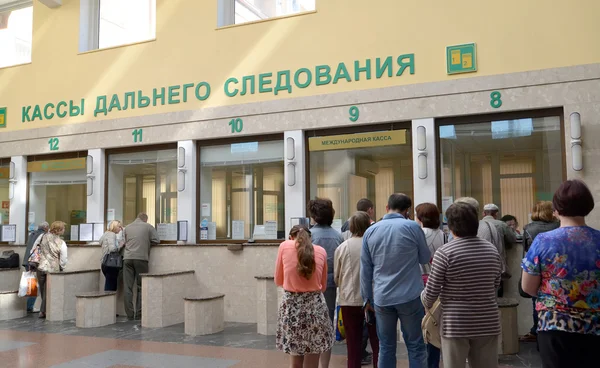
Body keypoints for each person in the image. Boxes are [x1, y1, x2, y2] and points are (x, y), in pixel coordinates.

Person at [521, 180, 600, 368]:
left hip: (555, 326)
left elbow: (528, 287)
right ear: (588, 206)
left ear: (556, 209)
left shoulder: (543, 241)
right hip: (595, 325)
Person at [422, 202, 502, 368]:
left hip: (455, 323)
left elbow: (430, 293)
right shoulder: (491, 250)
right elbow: (496, 283)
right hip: (488, 321)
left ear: (450, 225)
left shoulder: (445, 253)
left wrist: (426, 303)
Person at [361, 193, 430, 368]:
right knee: (415, 346)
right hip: (410, 296)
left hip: (382, 297)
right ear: (407, 211)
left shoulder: (371, 231)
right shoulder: (413, 227)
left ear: (386, 208)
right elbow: (424, 258)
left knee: (385, 346)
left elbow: (365, 269)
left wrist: (367, 298)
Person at [275, 225, 333, 368]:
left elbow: (278, 280)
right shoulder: (321, 251)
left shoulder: (284, 246)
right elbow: (323, 285)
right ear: (310, 238)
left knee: (295, 363)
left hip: (292, 307)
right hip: (315, 307)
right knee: (313, 360)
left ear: (291, 237)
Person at [334, 212, 379, 368]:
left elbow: (337, 277)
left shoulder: (342, 247)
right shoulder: (375, 245)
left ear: (351, 227)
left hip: (349, 300)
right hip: (374, 300)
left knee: (353, 345)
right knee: (378, 343)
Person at [306, 198, 342, 368]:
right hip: (330, 285)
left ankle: (309, 362)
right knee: (326, 324)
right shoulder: (338, 236)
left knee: (309, 324)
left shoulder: (308, 236)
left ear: (313, 215)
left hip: (309, 285)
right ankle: (324, 365)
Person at [518, 201, 560, 343]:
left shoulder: (529, 228)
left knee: (536, 300)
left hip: (536, 269)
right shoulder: (558, 226)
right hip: (557, 270)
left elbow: (526, 250)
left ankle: (537, 330)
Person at [414, 203, 444, 368]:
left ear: (420, 218)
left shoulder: (419, 234)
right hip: (439, 283)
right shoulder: (444, 234)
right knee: (435, 325)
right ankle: (434, 362)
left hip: (421, 283)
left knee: (423, 325)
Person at [122, 213, 160, 321]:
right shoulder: (148, 227)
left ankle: (129, 314)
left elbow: (123, 241)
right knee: (141, 286)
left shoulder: (127, 227)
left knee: (127, 287)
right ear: (146, 219)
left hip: (127, 259)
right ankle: (139, 314)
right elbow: (157, 240)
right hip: (141, 259)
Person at [482, 203, 517, 296]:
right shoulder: (501, 225)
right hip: (496, 262)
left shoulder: (476, 225)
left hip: (479, 262)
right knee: (498, 287)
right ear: (496, 214)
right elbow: (513, 239)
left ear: (483, 213)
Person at [36, 221, 68, 319]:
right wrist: (62, 267)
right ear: (59, 230)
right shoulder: (61, 242)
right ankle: (43, 311)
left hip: (41, 267)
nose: (64, 230)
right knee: (49, 291)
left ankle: (44, 310)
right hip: (53, 269)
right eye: (63, 228)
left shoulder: (42, 236)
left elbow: (34, 248)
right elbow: (63, 258)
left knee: (43, 290)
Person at [22, 221, 49, 312]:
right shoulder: (43, 236)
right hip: (35, 263)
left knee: (31, 283)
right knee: (34, 285)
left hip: (28, 262)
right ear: (45, 228)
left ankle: (30, 306)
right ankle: (30, 306)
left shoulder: (32, 234)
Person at [99, 220, 124, 292]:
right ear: (115, 227)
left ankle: (108, 302)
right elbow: (112, 249)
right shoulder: (112, 235)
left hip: (105, 263)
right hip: (111, 263)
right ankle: (108, 303)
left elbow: (101, 242)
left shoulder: (106, 234)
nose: (120, 228)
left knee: (109, 285)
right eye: (119, 226)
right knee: (110, 288)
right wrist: (120, 246)